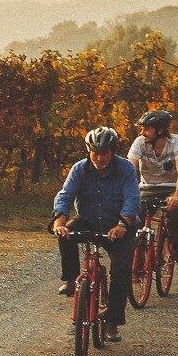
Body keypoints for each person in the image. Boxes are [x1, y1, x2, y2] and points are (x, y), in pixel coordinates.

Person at [51, 125, 141, 340]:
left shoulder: (126, 169)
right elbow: (65, 195)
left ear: (113, 152)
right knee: (66, 233)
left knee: (121, 272)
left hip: (118, 224)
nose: (99, 158)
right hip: (89, 220)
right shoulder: (79, 169)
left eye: (104, 153)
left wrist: (122, 225)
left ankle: (112, 322)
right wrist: (59, 220)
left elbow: (132, 199)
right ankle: (71, 279)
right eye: (95, 153)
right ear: (87, 151)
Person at [131, 107, 178, 268]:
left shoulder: (176, 142)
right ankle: (140, 253)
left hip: (176, 185)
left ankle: (175, 245)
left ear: (160, 131)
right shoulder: (140, 143)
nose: (142, 133)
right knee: (135, 212)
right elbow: (130, 169)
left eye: (147, 129)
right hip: (149, 186)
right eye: (142, 128)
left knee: (175, 211)